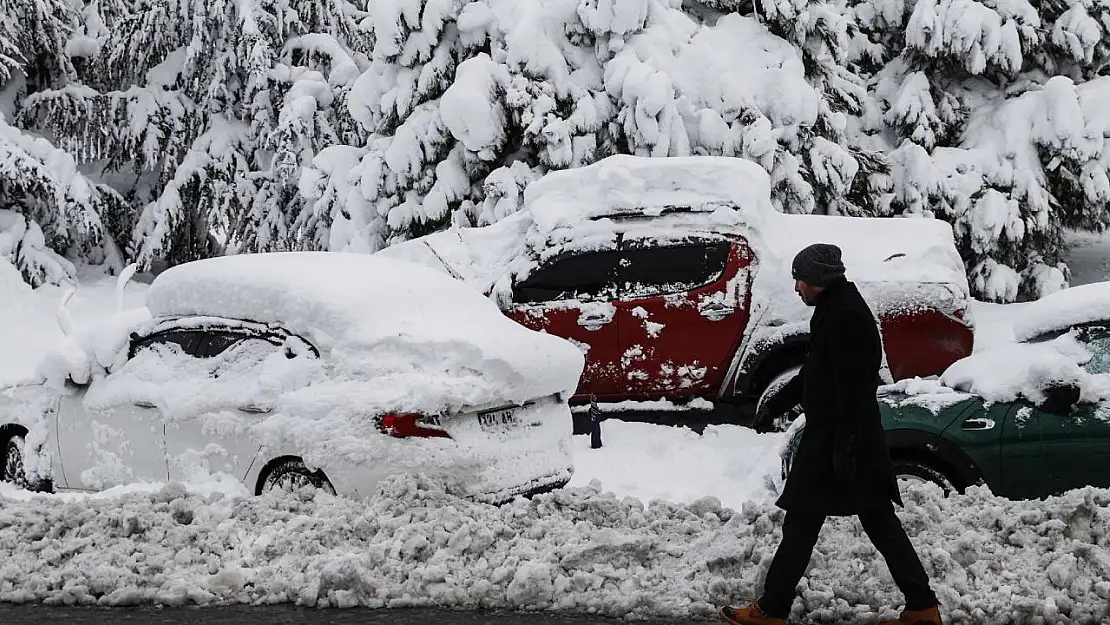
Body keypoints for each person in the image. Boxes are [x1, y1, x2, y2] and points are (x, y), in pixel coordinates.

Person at [718, 243, 943, 625]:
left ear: (819, 280)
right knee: (864, 521)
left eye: (800, 280)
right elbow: (815, 372)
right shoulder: (833, 310)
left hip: (841, 441)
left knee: (816, 522)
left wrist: (845, 448)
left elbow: (855, 390)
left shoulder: (847, 317)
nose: (796, 289)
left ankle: (772, 610)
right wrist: (776, 402)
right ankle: (922, 606)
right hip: (840, 439)